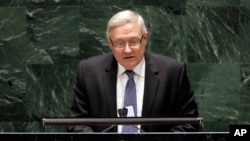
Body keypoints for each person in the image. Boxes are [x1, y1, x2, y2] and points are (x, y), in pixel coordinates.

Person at [68, 10, 199, 132]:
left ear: (145, 39)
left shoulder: (173, 72)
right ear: (109, 43)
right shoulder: (89, 72)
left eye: (133, 41)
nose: (127, 50)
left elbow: (189, 123)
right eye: (119, 43)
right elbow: (77, 123)